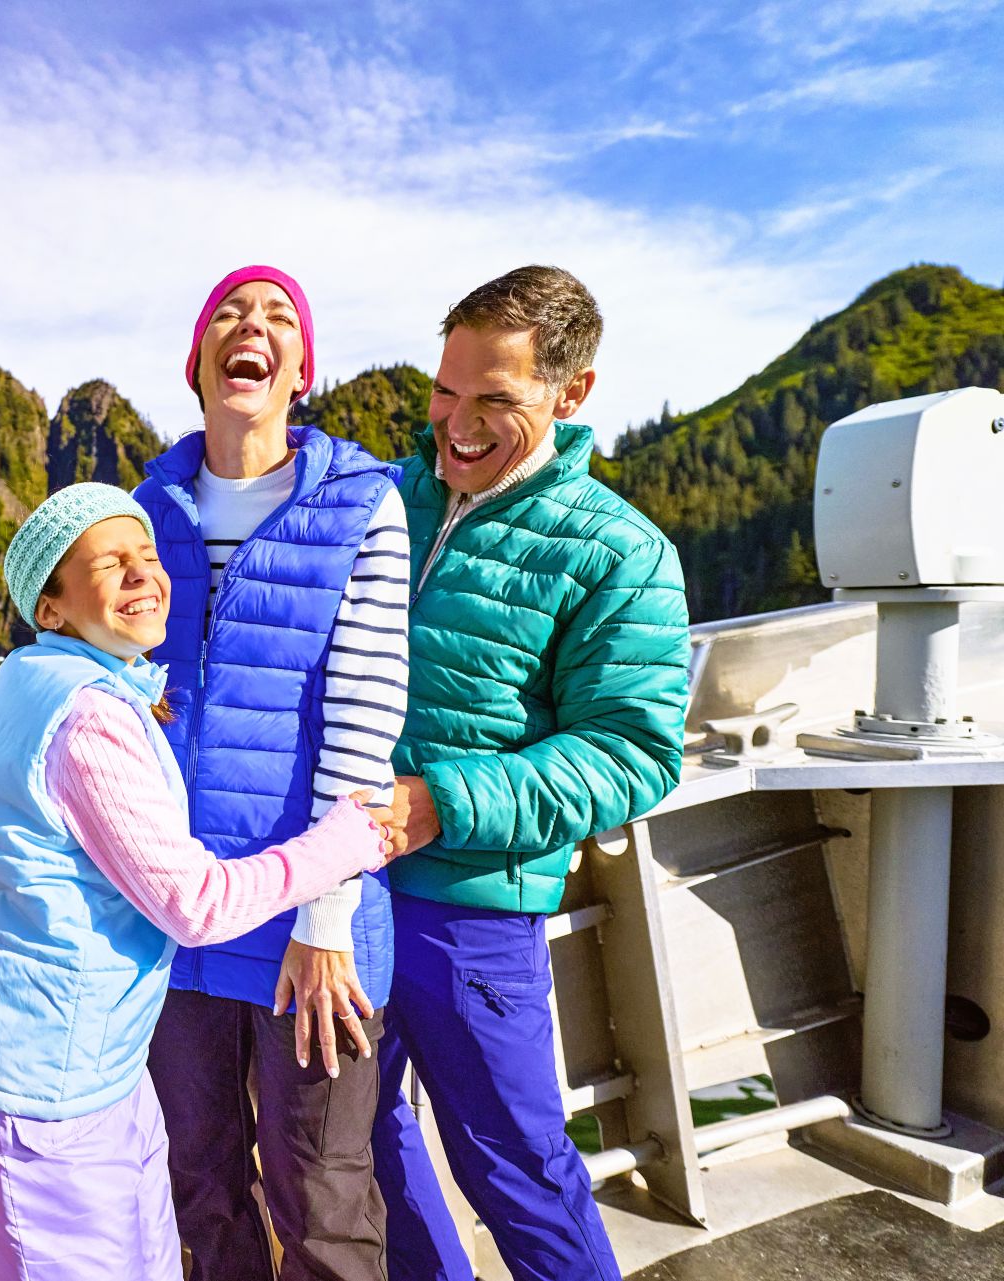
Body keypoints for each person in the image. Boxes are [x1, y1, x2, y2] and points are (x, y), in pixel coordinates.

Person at [0, 265, 411, 1280]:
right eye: (228, 313)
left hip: (309, 925)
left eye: (277, 317)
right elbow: (103, 670)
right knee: (197, 1190)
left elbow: (365, 717)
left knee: (326, 1204)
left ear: (304, 369)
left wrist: (328, 919)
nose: (251, 326)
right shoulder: (147, 506)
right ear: (197, 363)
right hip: (169, 924)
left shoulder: (361, 505)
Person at [367, 265, 690, 1281]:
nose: (455, 426)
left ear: (571, 392)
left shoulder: (622, 553)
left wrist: (440, 804)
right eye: (444, 391)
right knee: (361, 1140)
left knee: (514, 1165)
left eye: (493, 401)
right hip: (338, 890)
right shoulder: (380, 498)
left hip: (471, 915)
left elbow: (632, 753)